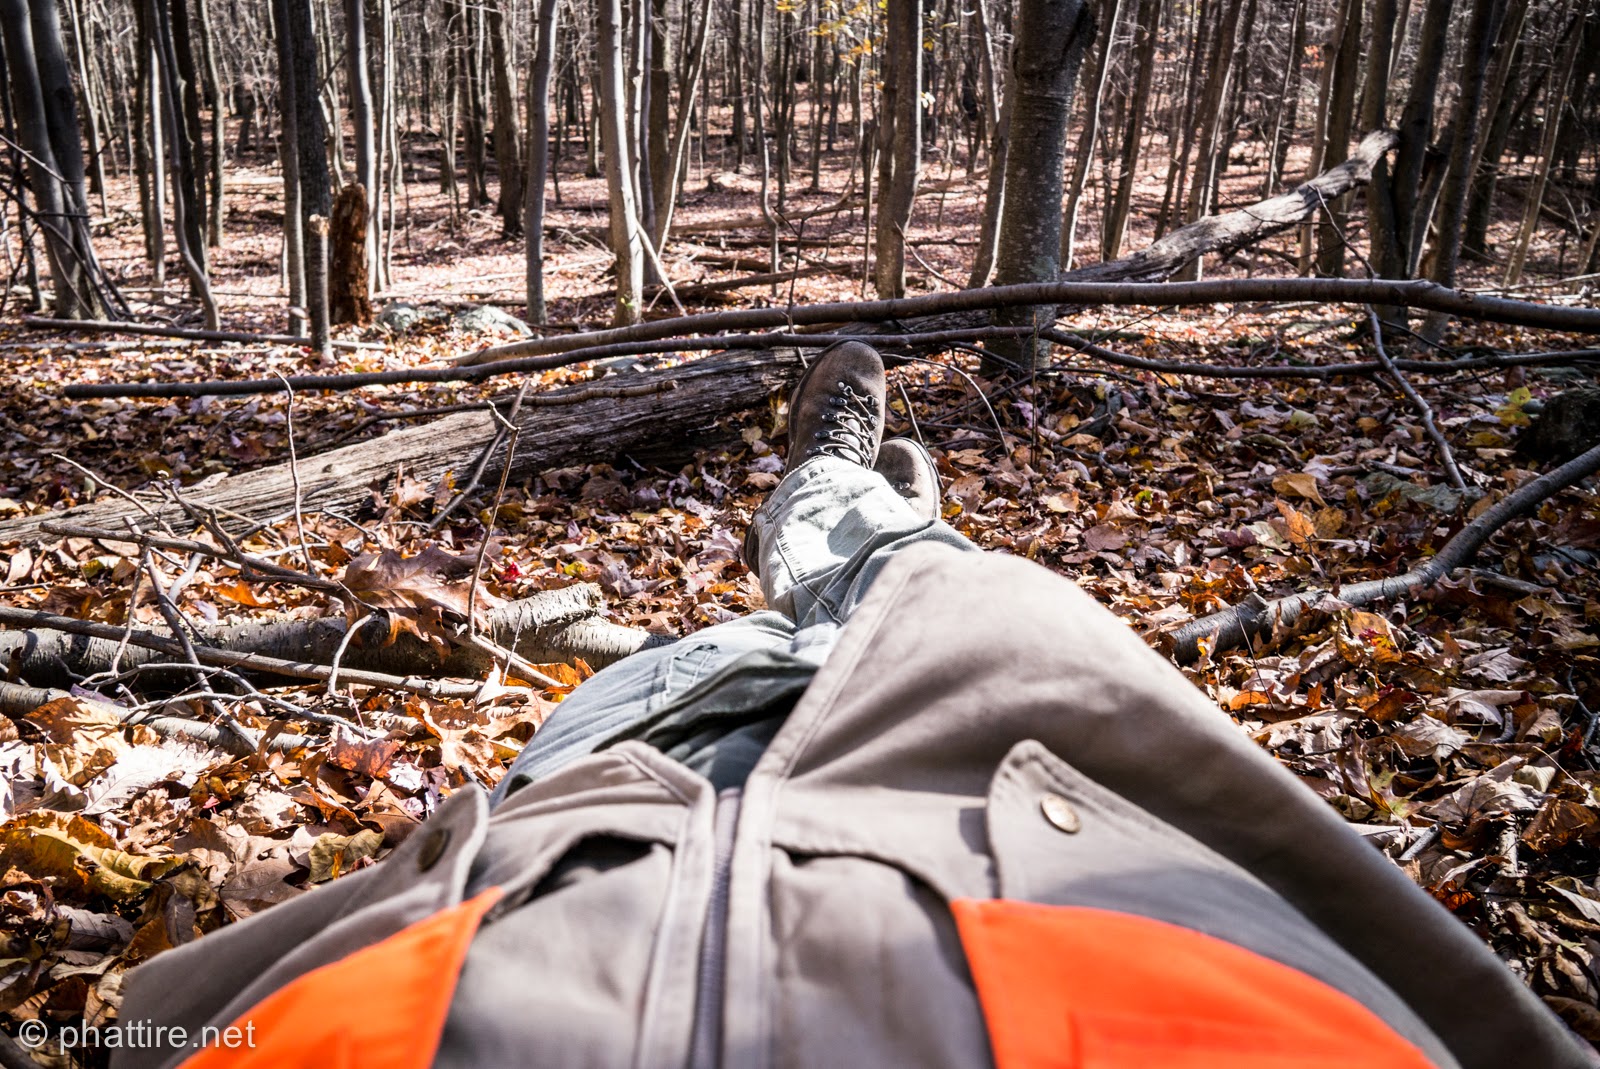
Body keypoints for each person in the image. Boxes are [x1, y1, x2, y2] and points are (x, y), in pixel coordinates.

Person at [113, 342, 1585, 1069]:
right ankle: (876, 520)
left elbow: (122, 1035)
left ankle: (844, 526)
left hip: (606, 787)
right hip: (1031, 757)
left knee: (722, 636)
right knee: (915, 576)